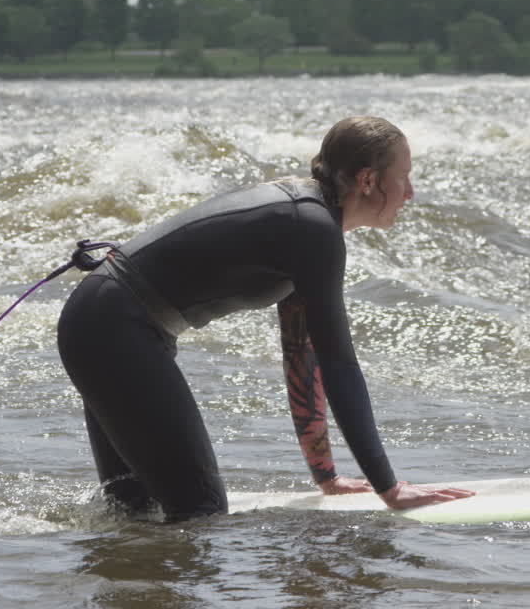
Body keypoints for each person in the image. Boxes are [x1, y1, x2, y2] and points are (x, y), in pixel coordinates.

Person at [56, 116, 475, 521]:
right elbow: (339, 364)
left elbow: (302, 356)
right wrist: (389, 488)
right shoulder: (313, 228)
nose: (410, 193)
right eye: (404, 176)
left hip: (102, 323)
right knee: (200, 511)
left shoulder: (306, 223)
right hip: (114, 328)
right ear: (367, 180)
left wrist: (326, 477)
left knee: (135, 513)